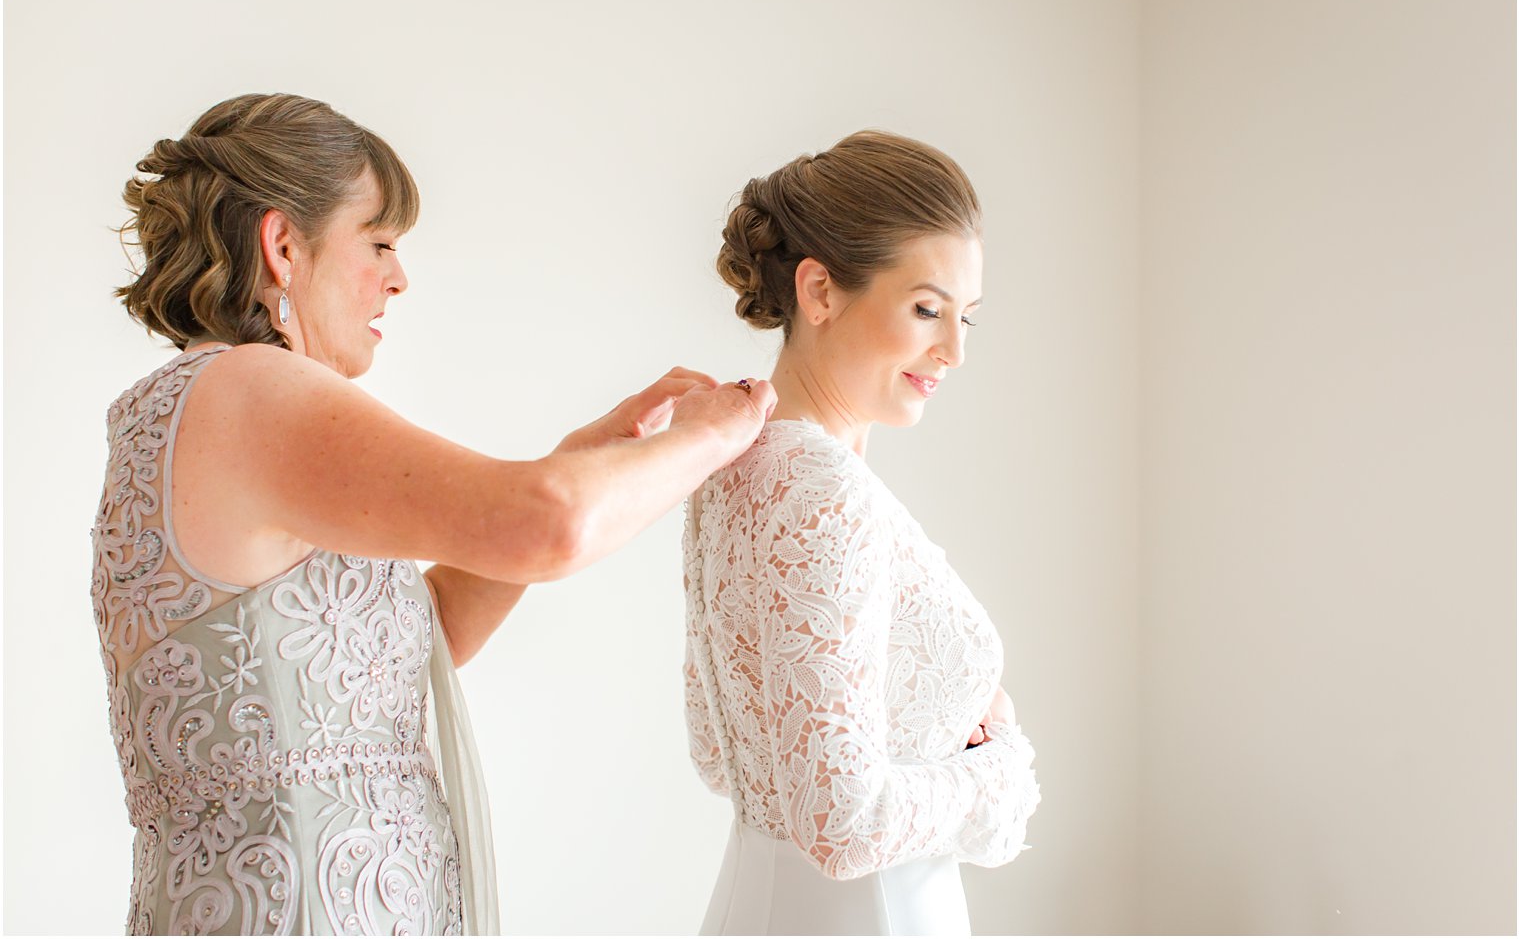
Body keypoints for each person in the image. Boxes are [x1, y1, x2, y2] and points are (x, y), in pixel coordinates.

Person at [92, 93, 775, 935]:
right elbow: (548, 525)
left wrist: (585, 454)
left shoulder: (181, 410)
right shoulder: (251, 390)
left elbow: (414, 639)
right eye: (378, 242)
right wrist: (712, 437)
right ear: (281, 247)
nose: (398, 277)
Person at [682, 131, 1041, 935]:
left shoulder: (736, 460)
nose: (952, 350)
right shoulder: (823, 494)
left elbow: (719, 752)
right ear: (819, 291)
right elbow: (844, 828)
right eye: (926, 309)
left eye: (966, 319)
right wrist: (997, 765)